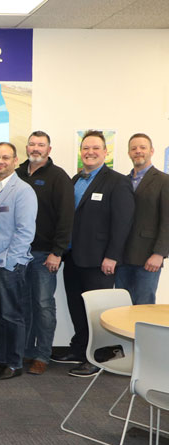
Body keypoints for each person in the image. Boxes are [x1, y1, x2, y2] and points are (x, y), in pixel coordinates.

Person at [60, 130, 134, 377]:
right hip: (73, 257)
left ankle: (100, 356)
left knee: (97, 311)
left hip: (99, 260)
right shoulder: (75, 179)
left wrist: (112, 256)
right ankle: (81, 349)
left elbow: (123, 222)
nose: (89, 152)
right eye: (85, 148)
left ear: (105, 152)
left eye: (95, 148)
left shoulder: (116, 181)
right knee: (77, 306)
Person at [15, 131, 74, 375]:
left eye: (41, 145)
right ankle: (26, 351)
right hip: (19, 253)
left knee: (43, 304)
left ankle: (42, 355)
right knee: (23, 305)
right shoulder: (17, 174)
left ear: (49, 149)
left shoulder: (58, 177)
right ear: (26, 147)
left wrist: (57, 252)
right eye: (32, 144)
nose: (35, 148)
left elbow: (66, 217)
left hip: (44, 254)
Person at [0, 142, 37, 380]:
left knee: (12, 314)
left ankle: (14, 362)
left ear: (15, 161)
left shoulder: (23, 191)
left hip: (7, 263)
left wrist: (10, 262)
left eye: (5, 157)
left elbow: (25, 232)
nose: (0, 161)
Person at [115, 133, 169, 305]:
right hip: (122, 258)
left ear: (151, 151)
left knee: (144, 309)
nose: (138, 151)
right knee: (121, 309)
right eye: (133, 148)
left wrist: (159, 253)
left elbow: (167, 220)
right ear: (129, 153)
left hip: (148, 258)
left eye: (142, 147)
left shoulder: (164, 181)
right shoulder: (122, 181)